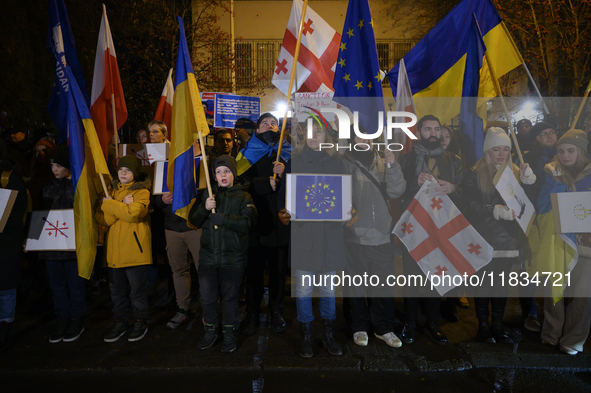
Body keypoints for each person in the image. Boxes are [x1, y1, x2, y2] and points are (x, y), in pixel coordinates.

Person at [461, 127, 536, 344]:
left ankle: (497, 325)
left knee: (501, 284)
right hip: (482, 238)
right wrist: (493, 209)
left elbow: (527, 207)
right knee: (483, 283)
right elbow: (468, 203)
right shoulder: (474, 172)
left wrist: (529, 183)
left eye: (505, 149)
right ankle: (483, 326)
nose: (501, 154)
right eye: (496, 149)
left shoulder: (515, 172)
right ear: (487, 151)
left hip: (507, 239)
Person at [278, 119, 345, 358]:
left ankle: (328, 334)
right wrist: (284, 212)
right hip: (304, 235)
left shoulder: (338, 164)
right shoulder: (294, 163)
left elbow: (345, 198)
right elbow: (285, 198)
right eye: (309, 132)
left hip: (330, 236)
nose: (313, 136)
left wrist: (350, 210)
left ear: (327, 135)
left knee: (328, 290)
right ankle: (306, 335)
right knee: (304, 290)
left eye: (318, 132)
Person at [399, 115, 463, 345]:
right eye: (428, 129)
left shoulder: (453, 161)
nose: (433, 133)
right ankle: (410, 323)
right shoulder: (406, 160)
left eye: (436, 128)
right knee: (413, 278)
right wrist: (413, 183)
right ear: (419, 133)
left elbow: (466, 189)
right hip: (415, 229)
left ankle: (432, 323)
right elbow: (395, 192)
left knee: (436, 277)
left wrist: (453, 187)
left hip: (442, 229)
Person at [342, 125, 406, 348]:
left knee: (382, 285)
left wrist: (393, 164)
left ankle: (383, 328)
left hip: (381, 235)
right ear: (351, 139)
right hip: (354, 236)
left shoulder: (383, 162)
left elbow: (397, 191)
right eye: (359, 136)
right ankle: (359, 326)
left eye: (368, 136)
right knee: (355, 285)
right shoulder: (343, 163)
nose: (364, 140)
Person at [528, 129, 591, 355]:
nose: (565, 155)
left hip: (587, 244)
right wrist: (559, 185)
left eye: (571, 151)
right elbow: (543, 205)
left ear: (581, 151)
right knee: (555, 288)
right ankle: (551, 333)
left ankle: (574, 339)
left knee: (584, 295)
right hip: (558, 238)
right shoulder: (551, 173)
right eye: (561, 151)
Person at [189, 155, 257, 353]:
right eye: (218, 172)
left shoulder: (244, 196)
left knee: (229, 298)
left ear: (233, 174)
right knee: (208, 298)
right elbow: (194, 220)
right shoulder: (208, 195)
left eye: (227, 171)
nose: (223, 175)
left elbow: (249, 223)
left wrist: (224, 218)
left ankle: (229, 333)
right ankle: (210, 331)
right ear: (214, 176)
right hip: (209, 258)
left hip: (232, 259)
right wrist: (204, 208)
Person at [239, 113, 290, 334]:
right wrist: (263, 182)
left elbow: (301, 183)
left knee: (278, 270)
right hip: (256, 221)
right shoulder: (245, 154)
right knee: (255, 270)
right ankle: (252, 310)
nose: (269, 126)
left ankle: (276, 309)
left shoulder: (288, 153)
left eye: (274, 124)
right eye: (264, 123)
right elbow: (239, 182)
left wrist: (285, 172)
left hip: (280, 222)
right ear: (257, 130)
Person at [96, 155, 152, 343]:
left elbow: (133, 215)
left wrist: (110, 205)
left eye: (127, 170)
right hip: (114, 252)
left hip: (135, 252)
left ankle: (140, 321)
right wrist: (119, 207)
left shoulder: (142, 192)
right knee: (117, 293)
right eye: (121, 170)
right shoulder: (110, 191)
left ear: (134, 173)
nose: (123, 173)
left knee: (137, 292)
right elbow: (102, 218)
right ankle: (119, 322)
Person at [40, 147, 87, 343]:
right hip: (51, 247)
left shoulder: (77, 187)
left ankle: (77, 319)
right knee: (57, 286)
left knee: (75, 285)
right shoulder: (48, 188)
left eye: (58, 165)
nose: (54, 169)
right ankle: (63, 318)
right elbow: (40, 216)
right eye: (52, 165)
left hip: (71, 246)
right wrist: (32, 239)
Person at [519, 121, 559, 333]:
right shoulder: (527, 158)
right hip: (534, 217)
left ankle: (554, 312)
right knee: (531, 265)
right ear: (535, 138)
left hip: (558, 218)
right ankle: (530, 312)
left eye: (552, 132)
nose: (549, 136)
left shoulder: (564, 155)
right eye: (544, 134)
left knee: (555, 264)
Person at [0, 139, 28, 350]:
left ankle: (6, 323)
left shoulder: (8, 177)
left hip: (7, 241)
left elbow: (18, 209)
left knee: (6, 285)